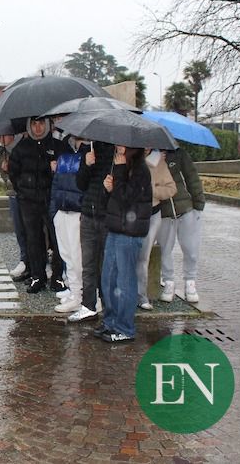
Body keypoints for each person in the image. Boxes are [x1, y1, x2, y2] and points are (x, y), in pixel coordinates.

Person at [95, 146, 152, 342]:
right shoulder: (122, 166)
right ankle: (110, 321)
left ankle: (125, 328)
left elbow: (127, 198)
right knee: (108, 278)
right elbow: (113, 201)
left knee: (125, 282)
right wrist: (107, 189)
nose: (118, 146)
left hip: (129, 232)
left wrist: (119, 173)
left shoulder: (140, 170)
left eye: (122, 144)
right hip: (115, 228)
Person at [7, 117, 66, 294]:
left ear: (47, 125)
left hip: (52, 199)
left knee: (57, 239)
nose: (38, 127)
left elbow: (67, 172)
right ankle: (37, 276)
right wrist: (23, 191)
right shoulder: (21, 148)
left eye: (41, 123)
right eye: (34, 123)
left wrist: (55, 170)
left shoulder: (58, 146)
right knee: (33, 239)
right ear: (29, 126)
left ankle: (57, 277)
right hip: (28, 201)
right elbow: (13, 172)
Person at [68, 140, 115, 323]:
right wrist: (87, 165)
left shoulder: (118, 152)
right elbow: (80, 183)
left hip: (108, 217)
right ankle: (88, 306)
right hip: (88, 213)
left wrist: (111, 187)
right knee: (88, 265)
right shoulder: (89, 150)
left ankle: (108, 306)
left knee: (106, 266)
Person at [157, 147, 206, 303]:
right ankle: (168, 282)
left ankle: (190, 282)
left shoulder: (179, 154)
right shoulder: (149, 156)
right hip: (164, 213)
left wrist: (198, 204)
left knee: (191, 249)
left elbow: (192, 177)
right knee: (164, 250)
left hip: (186, 210)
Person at [50, 133, 87, 313]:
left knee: (77, 257)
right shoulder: (65, 152)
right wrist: (54, 212)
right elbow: (56, 184)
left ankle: (81, 295)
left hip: (77, 212)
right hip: (62, 210)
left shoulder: (90, 154)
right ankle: (74, 291)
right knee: (67, 255)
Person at [135, 149, 176, 310]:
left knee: (143, 256)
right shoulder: (128, 158)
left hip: (152, 214)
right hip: (130, 213)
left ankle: (141, 295)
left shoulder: (158, 161)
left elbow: (171, 188)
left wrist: (153, 190)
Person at [0, 132, 29, 281]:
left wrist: (14, 167)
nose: (0, 139)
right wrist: (6, 170)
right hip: (13, 192)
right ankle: (24, 259)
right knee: (19, 229)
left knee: (33, 229)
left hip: (28, 193)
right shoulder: (2, 152)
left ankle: (39, 262)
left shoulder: (23, 146)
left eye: (3, 135)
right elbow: (4, 178)